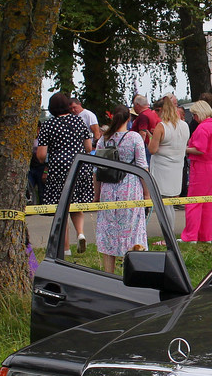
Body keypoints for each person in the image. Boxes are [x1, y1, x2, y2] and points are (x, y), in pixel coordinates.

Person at [93, 105, 150, 273]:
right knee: (132, 232)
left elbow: (97, 170)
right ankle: (132, 272)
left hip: (108, 189)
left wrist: (97, 194)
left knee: (108, 231)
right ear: (129, 119)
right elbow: (142, 167)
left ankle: (108, 274)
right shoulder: (134, 138)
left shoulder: (103, 139)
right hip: (130, 188)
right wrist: (147, 194)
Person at [36, 91, 94, 253]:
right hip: (80, 166)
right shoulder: (78, 121)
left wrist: (45, 161)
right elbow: (89, 147)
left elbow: (41, 154)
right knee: (76, 204)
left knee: (61, 208)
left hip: (58, 168)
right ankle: (81, 233)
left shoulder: (48, 125)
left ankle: (66, 248)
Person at [180, 100, 212, 243]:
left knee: (194, 201)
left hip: (203, 167)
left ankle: (191, 236)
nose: (194, 118)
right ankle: (206, 236)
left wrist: (182, 149)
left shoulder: (202, 128)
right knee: (208, 202)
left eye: (194, 115)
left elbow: (199, 149)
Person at [149, 95, 189, 198]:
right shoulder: (184, 125)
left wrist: (150, 138)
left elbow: (152, 149)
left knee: (162, 203)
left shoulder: (161, 126)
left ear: (160, 110)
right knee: (171, 202)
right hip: (177, 167)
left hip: (161, 170)